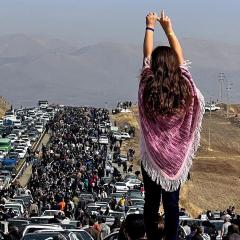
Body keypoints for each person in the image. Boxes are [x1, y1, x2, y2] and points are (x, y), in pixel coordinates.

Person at [138, 10, 204, 240]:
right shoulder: (185, 88)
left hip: (152, 157)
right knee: (172, 202)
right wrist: (169, 29)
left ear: (154, 65)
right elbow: (181, 58)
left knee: (151, 201)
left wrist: (150, 26)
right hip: (175, 158)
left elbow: (146, 56)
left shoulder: (147, 86)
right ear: (175, 65)